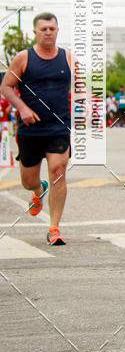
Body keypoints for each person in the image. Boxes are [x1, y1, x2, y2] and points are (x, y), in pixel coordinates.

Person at [0, 13, 72, 245]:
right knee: (28, 180)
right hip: (30, 130)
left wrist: (87, 102)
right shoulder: (23, 58)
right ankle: (37, 189)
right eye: (43, 29)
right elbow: (6, 86)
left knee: (58, 172)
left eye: (52, 28)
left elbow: (80, 87)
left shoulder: (68, 57)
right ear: (36, 32)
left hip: (59, 127)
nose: (48, 32)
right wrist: (22, 108)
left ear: (57, 30)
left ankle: (54, 228)